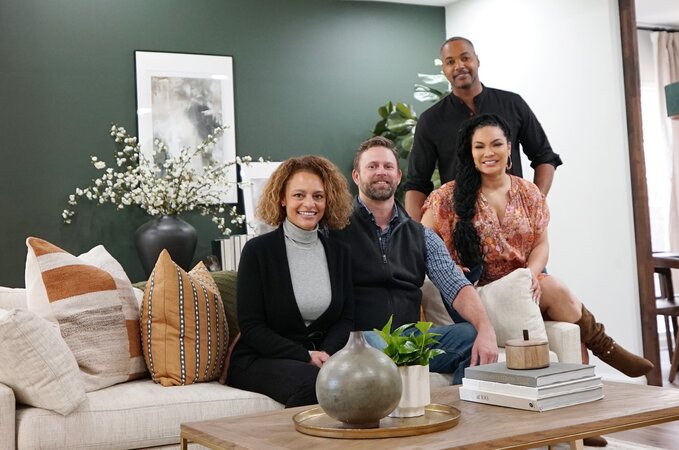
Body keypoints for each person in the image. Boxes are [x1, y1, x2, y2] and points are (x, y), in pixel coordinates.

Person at [421, 113, 654, 380]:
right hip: (478, 293)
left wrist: (531, 272)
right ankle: (606, 347)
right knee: (554, 287)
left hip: (522, 284)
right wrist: (452, 269)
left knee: (568, 326)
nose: (489, 152)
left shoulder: (528, 192)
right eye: (479, 146)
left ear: (509, 147)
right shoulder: (446, 197)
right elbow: (422, 245)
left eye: (496, 144)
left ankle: (580, 394)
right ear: (470, 152)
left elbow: (542, 243)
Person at [332, 136, 499, 384]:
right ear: (356, 177)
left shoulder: (421, 235)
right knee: (374, 343)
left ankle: (463, 415)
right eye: (372, 166)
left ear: (398, 176)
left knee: (470, 336)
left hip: (409, 339)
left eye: (388, 167)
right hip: (360, 339)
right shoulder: (336, 230)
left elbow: (456, 285)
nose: (381, 172)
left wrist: (485, 328)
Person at [227, 155, 354, 407]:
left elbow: (346, 318)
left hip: (320, 357)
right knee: (315, 383)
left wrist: (326, 354)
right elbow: (252, 327)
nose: (309, 203)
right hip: (259, 359)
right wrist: (305, 355)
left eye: (318, 196)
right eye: (299, 195)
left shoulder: (339, 253)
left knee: (363, 380)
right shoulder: (257, 251)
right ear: (282, 199)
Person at [404, 36, 563, 221]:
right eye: (450, 62)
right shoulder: (431, 120)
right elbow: (417, 183)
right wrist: (417, 238)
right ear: (444, 69)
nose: (459, 66)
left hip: (513, 222)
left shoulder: (513, 104)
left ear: (477, 60)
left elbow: (544, 157)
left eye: (465, 58)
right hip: (460, 226)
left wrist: (536, 203)